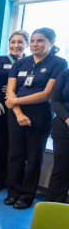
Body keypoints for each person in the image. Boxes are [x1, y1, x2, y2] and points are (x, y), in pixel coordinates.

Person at [5, 27, 67, 209]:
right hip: (15, 111)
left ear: (52, 42)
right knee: (15, 153)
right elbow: (10, 90)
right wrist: (18, 111)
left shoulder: (59, 63)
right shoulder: (20, 63)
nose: (34, 44)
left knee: (33, 155)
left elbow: (47, 94)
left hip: (39, 113)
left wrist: (16, 100)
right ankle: (12, 191)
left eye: (40, 41)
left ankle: (26, 195)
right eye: (32, 41)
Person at [0, 30, 29, 191]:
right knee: (3, 143)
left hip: (23, 107)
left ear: (26, 44)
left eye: (20, 42)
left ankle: (16, 181)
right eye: (12, 42)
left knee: (19, 146)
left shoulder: (30, 62)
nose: (16, 45)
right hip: (1, 107)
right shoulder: (0, 60)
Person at [47, 67, 69, 203]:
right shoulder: (65, 73)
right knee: (60, 171)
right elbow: (55, 101)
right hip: (62, 127)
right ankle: (51, 211)